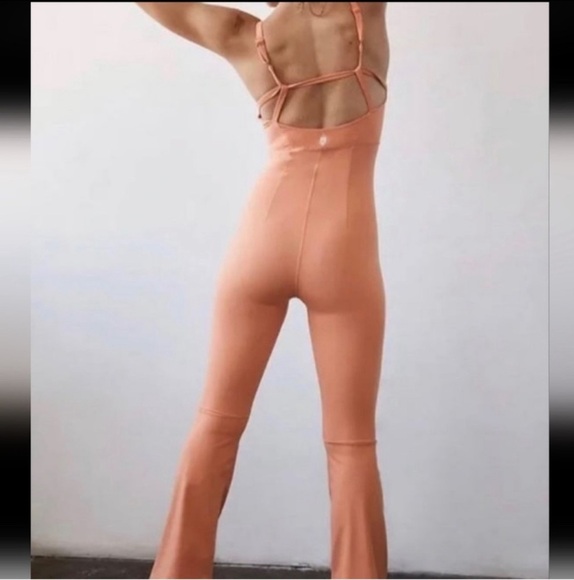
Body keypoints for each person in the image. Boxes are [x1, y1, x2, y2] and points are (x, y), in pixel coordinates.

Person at [135, 2, 390, 578]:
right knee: (350, 444)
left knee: (216, 422)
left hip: (261, 239)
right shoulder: (365, 16)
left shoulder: (243, 34)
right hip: (344, 251)